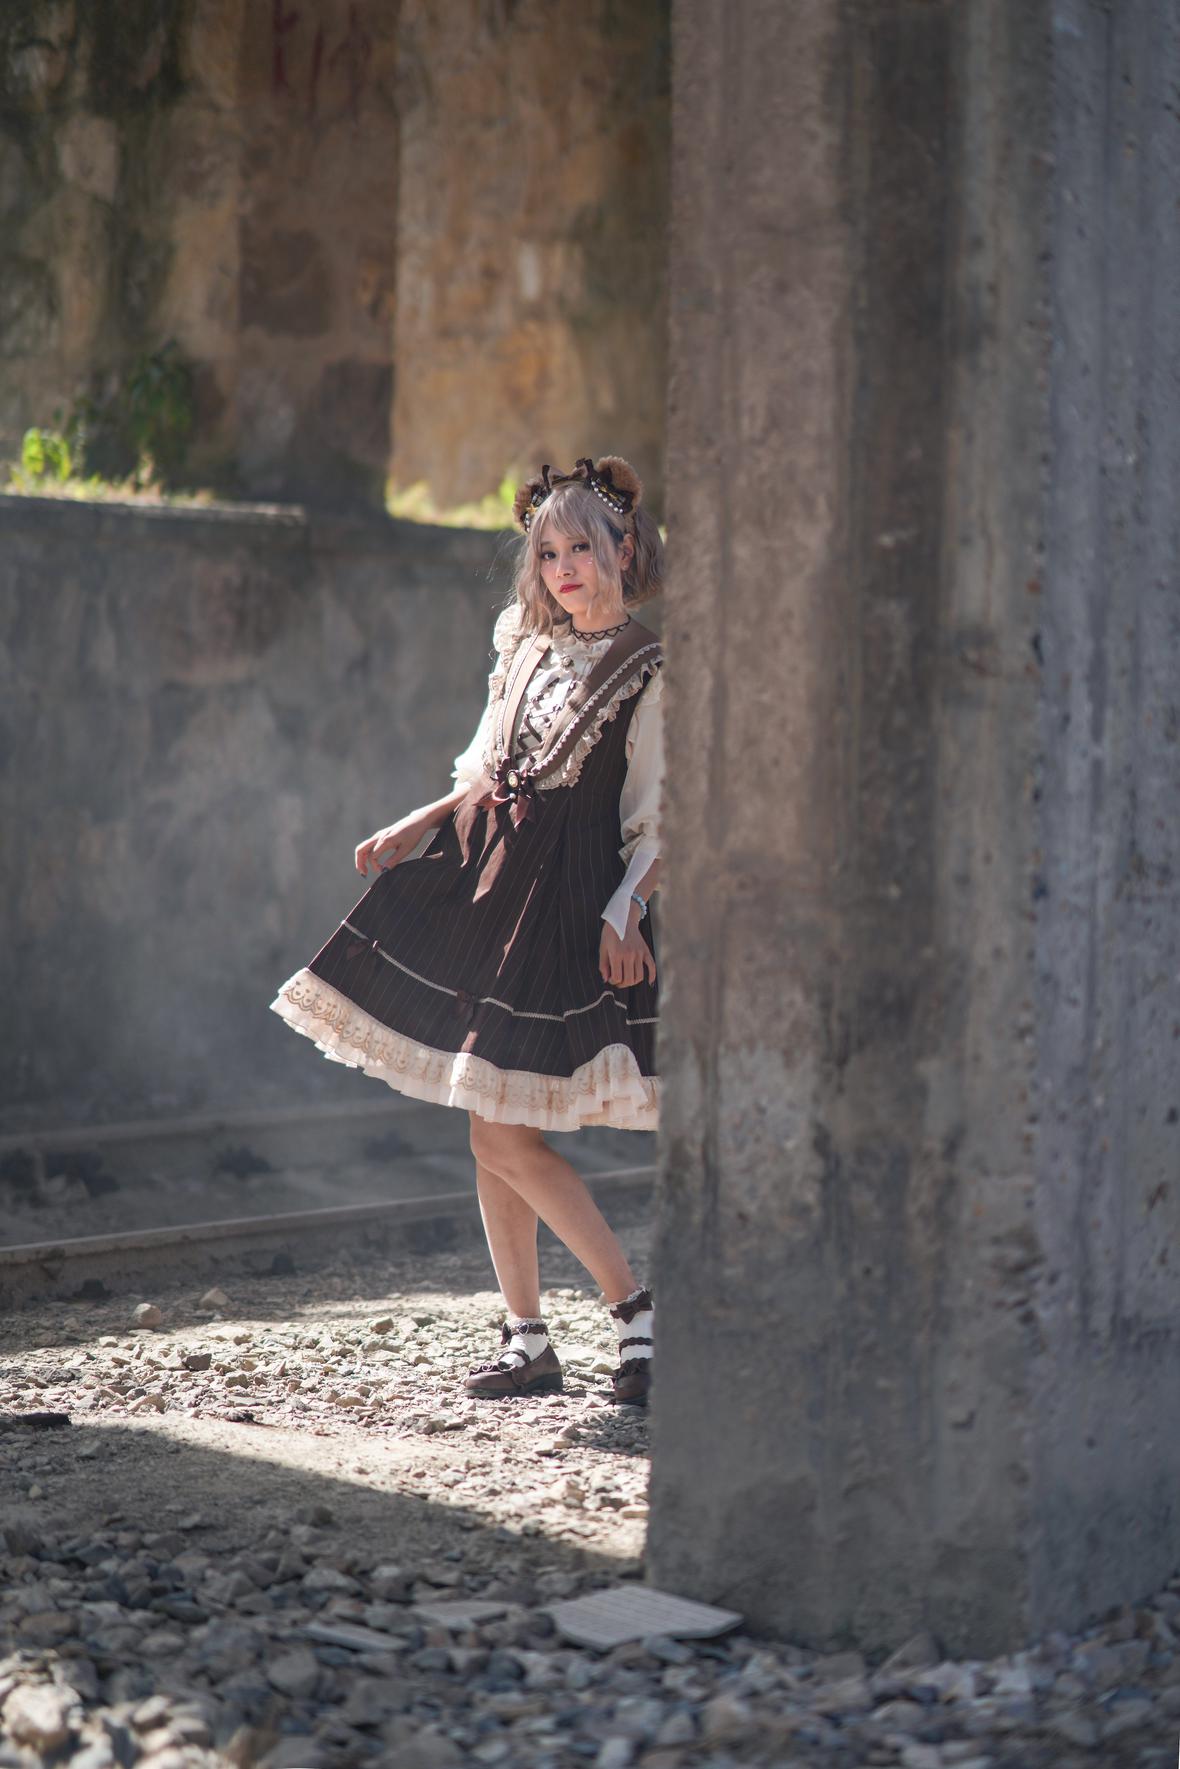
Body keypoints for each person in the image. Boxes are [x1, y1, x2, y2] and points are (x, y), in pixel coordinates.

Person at [270, 455, 663, 1406]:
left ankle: (636, 1316)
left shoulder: (649, 667)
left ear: (623, 551)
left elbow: (661, 814)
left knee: (500, 1132)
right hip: (489, 878)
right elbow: (488, 765)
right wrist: (419, 821)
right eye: (549, 553)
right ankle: (530, 1338)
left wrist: (626, 909)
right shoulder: (522, 643)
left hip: (566, 900)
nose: (564, 569)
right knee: (489, 1126)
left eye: (581, 549)